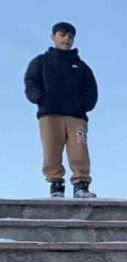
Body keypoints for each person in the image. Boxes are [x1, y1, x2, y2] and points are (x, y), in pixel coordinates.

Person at [24, 21, 99, 199]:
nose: (67, 39)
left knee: (79, 151)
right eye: (62, 35)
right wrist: (39, 98)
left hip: (76, 116)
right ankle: (56, 185)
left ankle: (81, 185)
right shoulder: (41, 61)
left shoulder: (81, 66)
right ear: (53, 37)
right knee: (51, 150)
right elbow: (31, 81)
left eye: (70, 36)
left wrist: (84, 105)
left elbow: (91, 89)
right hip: (50, 114)